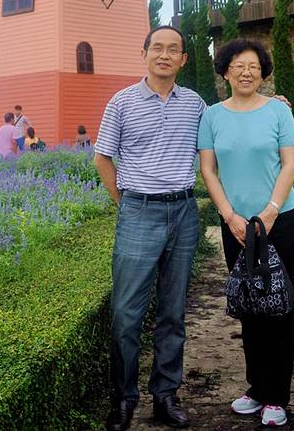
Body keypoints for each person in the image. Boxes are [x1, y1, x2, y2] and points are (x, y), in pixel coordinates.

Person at [95, 25, 205, 431]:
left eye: (173, 49)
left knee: (173, 312)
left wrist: (272, 102)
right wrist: (125, 204)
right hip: (138, 211)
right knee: (126, 313)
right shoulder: (121, 103)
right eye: (157, 47)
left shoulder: (195, 104)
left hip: (183, 212)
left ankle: (165, 395)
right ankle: (123, 400)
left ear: (183, 59)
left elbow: (223, 136)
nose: (164, 55)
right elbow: (103, 158)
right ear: (144, 54)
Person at [198, 38, 294, 428]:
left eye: (254, 66)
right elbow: (209, 169)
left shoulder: (278, 111)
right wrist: (229, 216)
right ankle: (257, 388)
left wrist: (271, 210)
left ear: (263, 72)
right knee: (250, 304)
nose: (246, 72)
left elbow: (290, 163)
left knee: (279, 305)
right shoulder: (212, 116)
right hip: (236, 226)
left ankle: (277, 396)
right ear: (224, 71)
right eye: (238, 65)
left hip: (279, 219)